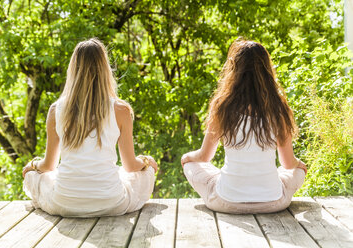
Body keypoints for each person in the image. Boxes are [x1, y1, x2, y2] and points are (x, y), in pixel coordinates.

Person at [23, 38, 158, 217]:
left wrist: (32, 165)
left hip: (64, 204)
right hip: (112, 203)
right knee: (143, 173)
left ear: (73, 71)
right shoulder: (121, 109)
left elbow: (48, 166)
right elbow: (130, 166)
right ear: (105, 70)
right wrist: (147, 162)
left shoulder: (56, 110)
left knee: (36, 177)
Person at [181, 39, 307, 214]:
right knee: (296, 171)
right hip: (273, 203)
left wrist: (187, 157)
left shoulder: (222, 107)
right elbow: (287, 163)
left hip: (226, 202)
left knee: (191, 165)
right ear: (267, 70)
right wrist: (300, 165)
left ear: (233, 70)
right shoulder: (278, 108)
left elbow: (204, 157)